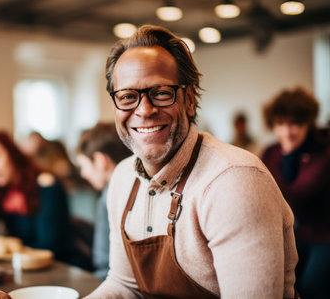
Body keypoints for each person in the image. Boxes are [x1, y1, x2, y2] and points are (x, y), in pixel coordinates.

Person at [85, 24, 298, 298]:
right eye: (127, 97)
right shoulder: (122, 177)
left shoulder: (235, 181)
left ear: (188, 99)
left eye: (161, 92)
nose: (144, 110)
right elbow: (125, 286)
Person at [261, 87, 330, 298]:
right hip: (296, 235)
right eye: (281, 124)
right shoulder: (271, 152)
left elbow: (296, 195)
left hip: (328, 236)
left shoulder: (324, 155)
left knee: (311, 289)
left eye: (295, 124)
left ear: (307, 124)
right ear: (273, 125)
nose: (287, 132)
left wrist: (287, 158)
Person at [0, 131, 84, 268]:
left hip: (63, 267)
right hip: (28, 268)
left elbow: (50, 246)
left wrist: (10, 246)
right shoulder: (1, 193)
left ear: (12, 153)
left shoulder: (45, 183)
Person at [76, 122, 132, 278]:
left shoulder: (108, 197)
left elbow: (103, 262)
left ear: (100, 160)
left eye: (83, 166)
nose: (83, 174)